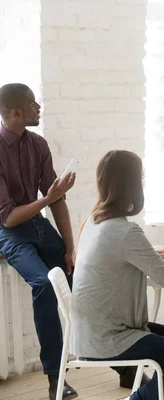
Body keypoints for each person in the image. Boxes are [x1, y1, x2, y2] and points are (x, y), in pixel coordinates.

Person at [72, 150, 164, 400]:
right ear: (132, 183)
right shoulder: (126, 231)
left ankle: (150, 396)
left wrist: (147, 254)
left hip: (88, 335)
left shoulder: (93, 221)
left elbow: (112, 260)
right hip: (111, 339)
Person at [0, 83, 79, 400]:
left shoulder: (39, 144)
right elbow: (7, 218)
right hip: (10, 231)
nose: (39, 108)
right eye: (33, 105)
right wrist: (48, 199)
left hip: (39, 225)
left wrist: (70, 247)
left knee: (80, 277)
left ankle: (119, 362)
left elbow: (57, 199)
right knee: (45, 284)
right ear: (16, 112)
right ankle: (53, 378)